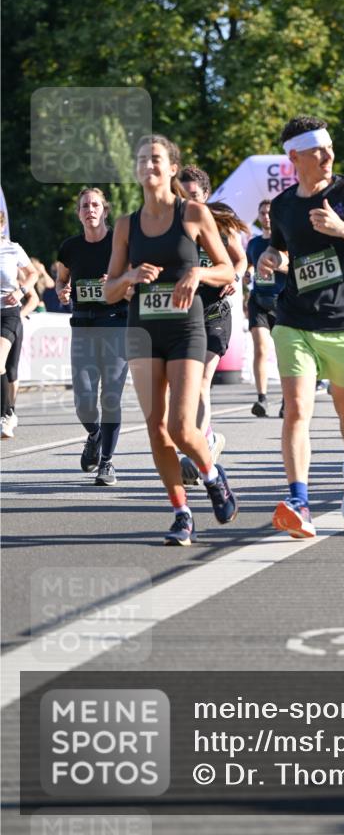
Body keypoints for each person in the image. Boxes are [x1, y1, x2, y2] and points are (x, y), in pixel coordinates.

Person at [257, 115, 344, 538]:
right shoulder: (282, 207)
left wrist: (342, 229)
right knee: (297, 409)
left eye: (331, 147)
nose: (329, 155)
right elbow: (285, 254)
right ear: (295, 156)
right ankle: (299, 499)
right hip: (294, 319)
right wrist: (271, 259)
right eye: (319, 150)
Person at [103, 134, 237, 545]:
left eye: (156, 159)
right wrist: (127, 278)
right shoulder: (126, 225)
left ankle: (212, 475)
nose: (149, 165)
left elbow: (227, 270)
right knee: (155, 428)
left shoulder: (194, 213)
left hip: (185, 329)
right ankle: (181, 512)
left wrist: (197, 273)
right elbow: (108, 289)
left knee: (181, 426)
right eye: (142, 159)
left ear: (172, 167)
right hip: (144, 330)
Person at [177, 165, 248, 483]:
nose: (188, 201)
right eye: (182, 195)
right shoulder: (171, 225)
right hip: (184, 315)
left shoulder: (219, 222)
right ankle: (208, 439)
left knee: (203, 380)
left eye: (193, 195)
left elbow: (240, 258)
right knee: (186, 386)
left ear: (205, 195)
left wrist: (235, 276)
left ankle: (201, 448)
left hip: (216, 312)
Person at [56, 189, 130, 485]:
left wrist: (118, 282)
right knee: (83, 401)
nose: (90, 210)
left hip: (116, 323)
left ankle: (107, 462)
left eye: (95, 205)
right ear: (78, 213)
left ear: (105, 210)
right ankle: (95, 435)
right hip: (83, 326)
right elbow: (62, 278)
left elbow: (137, 277)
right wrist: (62, 290)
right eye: (84, 205)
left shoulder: (120, 242)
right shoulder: (70, 247)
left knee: (110, 397)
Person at [245, 199, 287, 417]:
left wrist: (279, 265)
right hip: (259, 300)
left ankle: (286, 398)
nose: (266, 216)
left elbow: (295, 268)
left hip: (281, 301)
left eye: (269, 213)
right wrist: (245, 274)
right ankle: (261, 398)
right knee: (260, 347)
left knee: (283, 353)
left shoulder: (284, 240)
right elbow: (248, 265)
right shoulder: (253, 244)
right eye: (262, 213)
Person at [1, 211, 38, 439]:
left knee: (4, 365)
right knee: (9, 371)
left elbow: (32, 273)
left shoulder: (12, 248)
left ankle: (6, 414)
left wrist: (20, 290)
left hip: (9, 314)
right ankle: (9, 412)